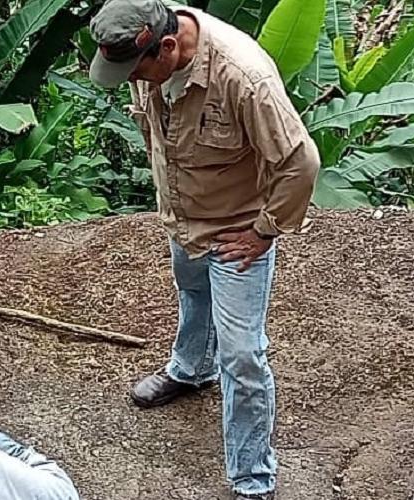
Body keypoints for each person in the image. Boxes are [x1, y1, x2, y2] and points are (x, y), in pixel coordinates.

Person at [86, 0, 320, 498]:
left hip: (235, 230)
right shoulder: (145, 43)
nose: (135, 81)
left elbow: (301, 163)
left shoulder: (243, 77)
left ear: (167, 47)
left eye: (137, 72)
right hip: (183, 216)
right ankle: (191, 369)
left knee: (243, 357)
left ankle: (252, 478)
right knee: (192, 294)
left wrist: (263, 231)